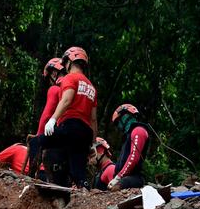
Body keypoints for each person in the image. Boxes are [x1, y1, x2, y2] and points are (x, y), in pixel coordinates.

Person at [40, 46, 97, 187]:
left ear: (70, 61)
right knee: (78, 171)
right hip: (85, 133)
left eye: (65, 62)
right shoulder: (91, 87)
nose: (64, 65)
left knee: (37, 143)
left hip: (70, 126)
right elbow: (93, 119)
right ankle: (82, 191)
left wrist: (52, 120)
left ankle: (32, 178)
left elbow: (66, 100)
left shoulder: (70, 78)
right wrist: (94, 143)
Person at [27, 57, 67, 182]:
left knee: (35, 143)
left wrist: (38, 136)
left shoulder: (55, 89)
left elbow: (47, 114)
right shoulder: (71, 88)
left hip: (56, 133)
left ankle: (31, 175)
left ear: (54, 72)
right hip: (70, 134)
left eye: (50, 75)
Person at [106, 104, 156, 190]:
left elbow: (133, 157)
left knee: (116, 187)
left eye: (118, 122)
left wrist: (118, 177)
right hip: (124, 176)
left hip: (134, 177)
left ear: (125, 116)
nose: (119, 126)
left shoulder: (138, 130)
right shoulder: (128, 137)